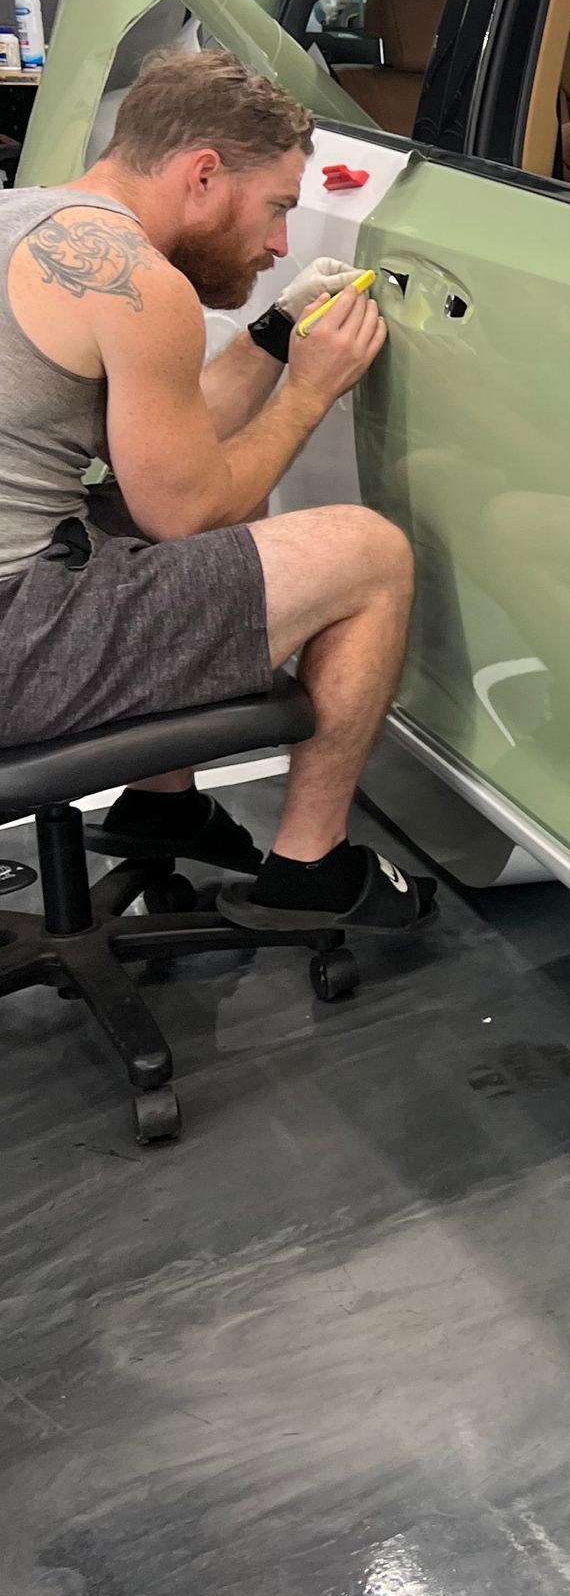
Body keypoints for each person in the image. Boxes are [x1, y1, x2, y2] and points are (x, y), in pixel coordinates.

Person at [0, 47, 434, 934]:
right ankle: (311, 868)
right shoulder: (138, 281)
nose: (279, 243)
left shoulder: (27, 220)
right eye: (277, 207)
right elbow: (190, 509)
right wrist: (310, 391)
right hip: (12, 639)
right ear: (203, 174)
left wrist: (273, 334)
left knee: (164, 511)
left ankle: (162, 805)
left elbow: (168, 449)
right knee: (368, 552)